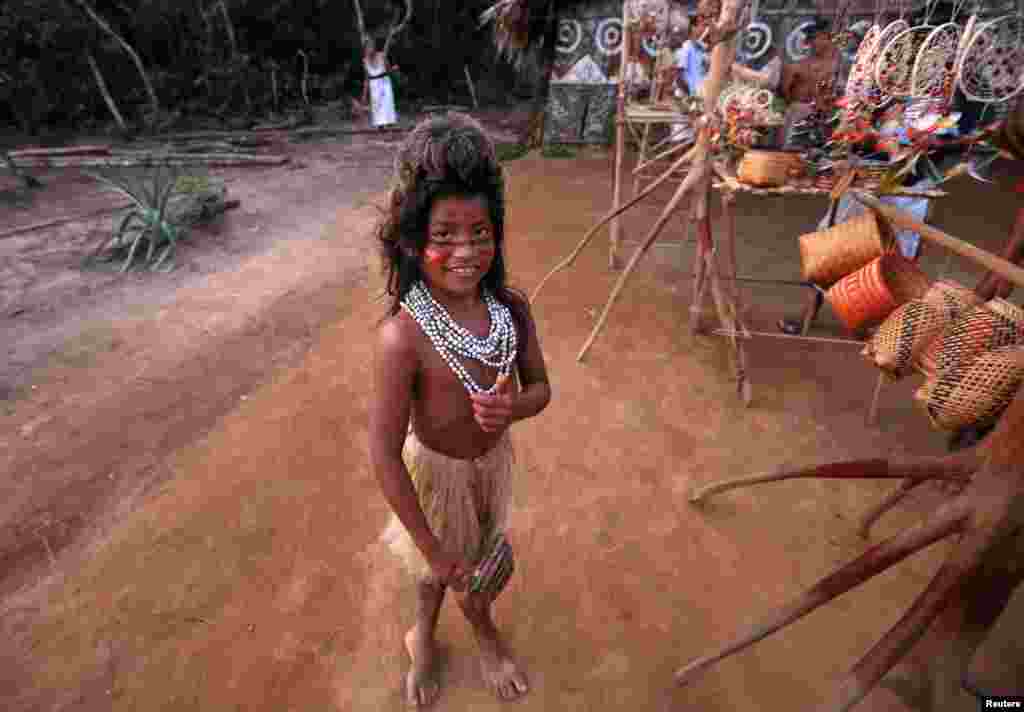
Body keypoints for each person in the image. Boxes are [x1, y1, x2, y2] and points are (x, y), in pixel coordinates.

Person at [369, 112, 552, 706]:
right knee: (440, 572)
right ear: (412, 240)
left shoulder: (512, 310)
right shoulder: (404, 338)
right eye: (444, 235)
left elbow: (541, 388)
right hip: (434, 478)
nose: (465, 251)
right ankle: (436, 634)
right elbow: (383, 453)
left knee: (479, 561)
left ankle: (453, 631)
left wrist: (513, 410)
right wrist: (429, 543)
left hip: (489, 467)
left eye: (479, 232)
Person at [780, 18, 839, 149]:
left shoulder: (836, 65)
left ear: (827, 39)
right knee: (791, 151)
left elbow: (834, 92)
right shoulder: (798, 65)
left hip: (822, 116)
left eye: (818, 38)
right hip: (797, 113)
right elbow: (785, 91)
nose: (814, 42)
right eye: (812, 39)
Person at [362, 35, 398, 129]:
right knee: (377, 105)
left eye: (371, 46)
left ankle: (390, 124)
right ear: (365, 49)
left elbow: (388, 69)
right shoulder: (365, 60)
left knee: (387, 102)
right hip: (373, 84)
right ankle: (380, 125)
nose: (370, 48)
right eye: (368, 47)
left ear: (374, 47)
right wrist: (364, 95)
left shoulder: (382, 55)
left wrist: (393, 70)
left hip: (384, 81)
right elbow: (366, 78)